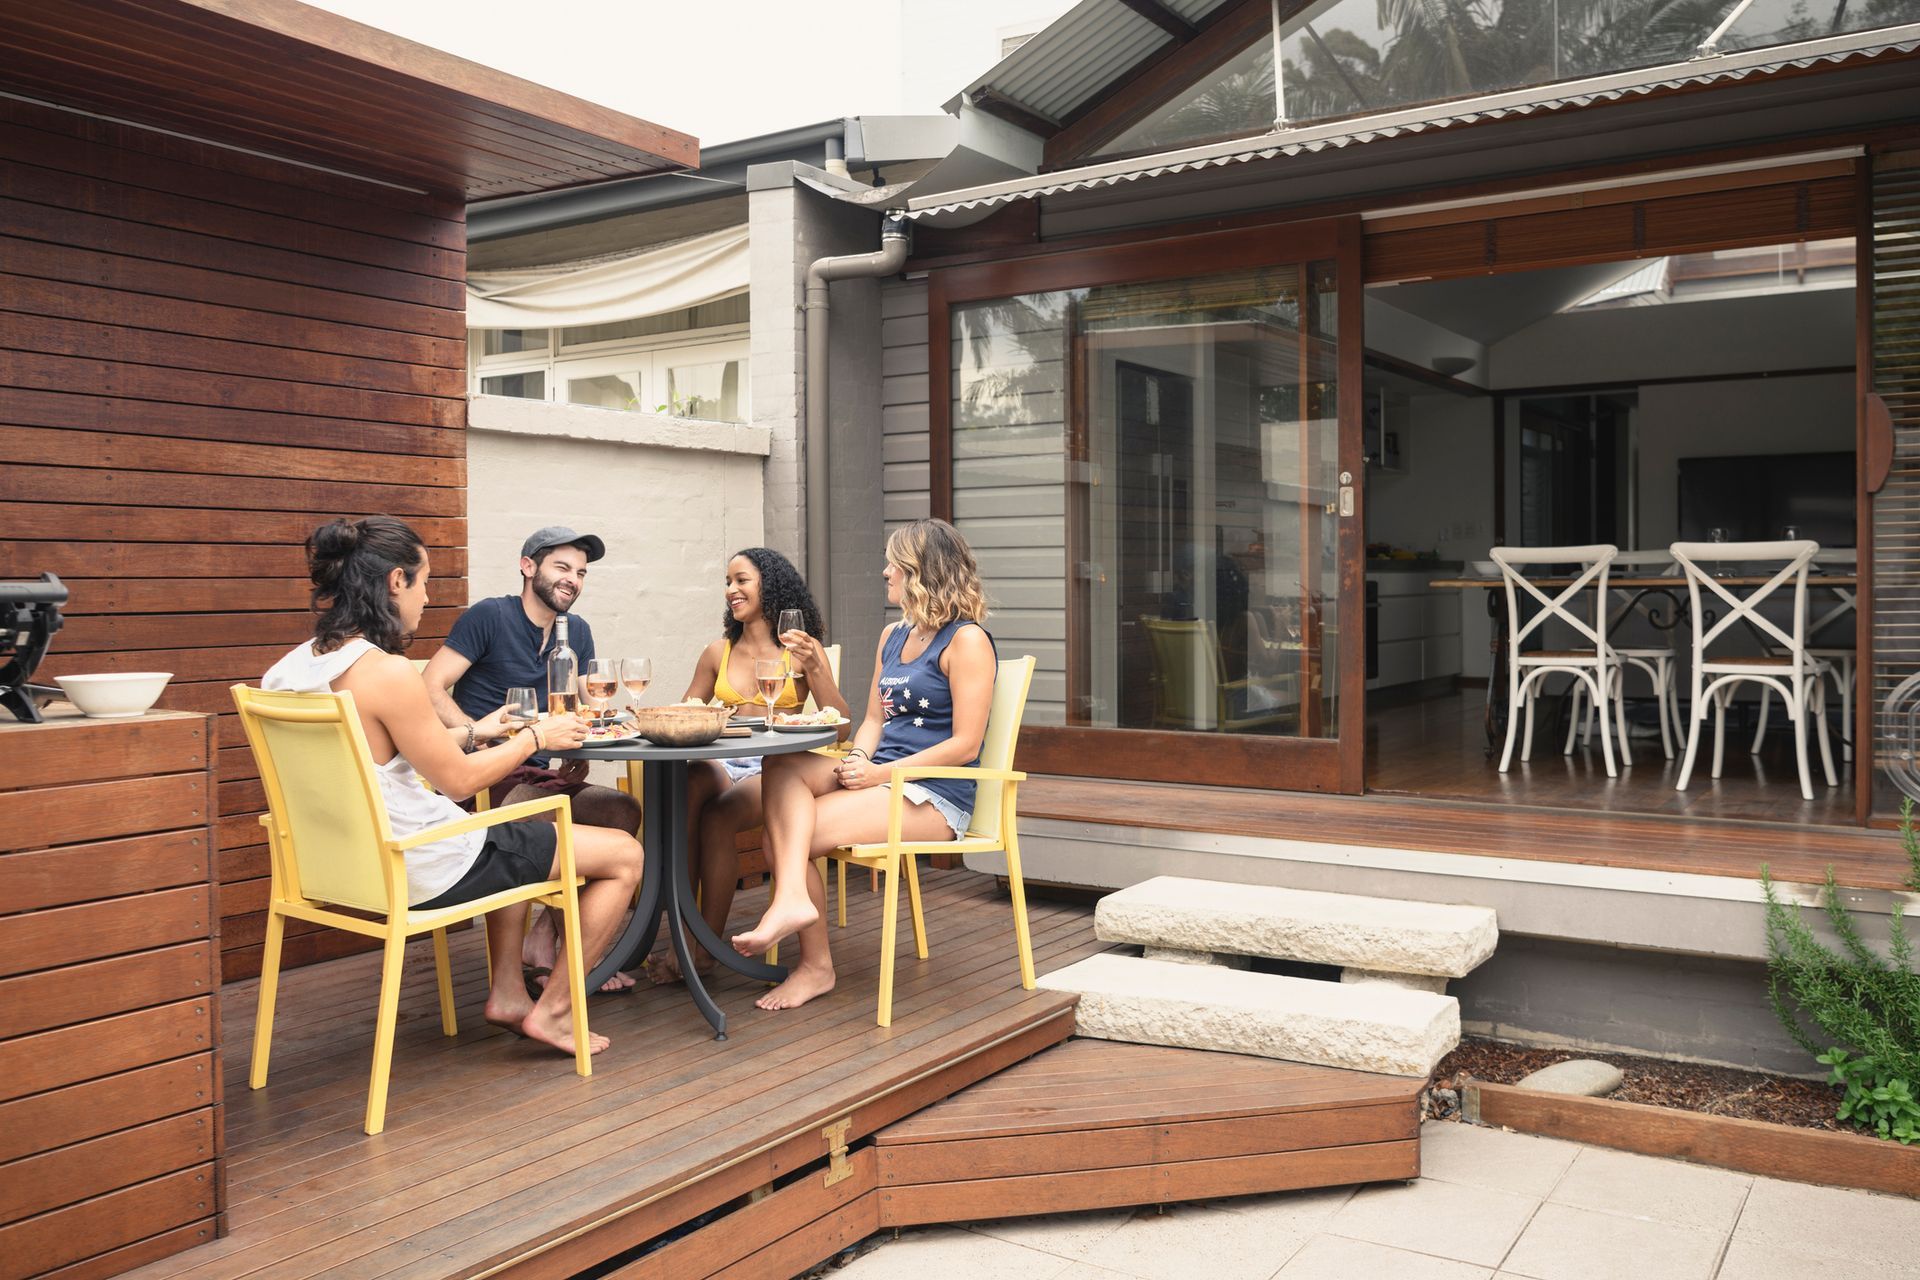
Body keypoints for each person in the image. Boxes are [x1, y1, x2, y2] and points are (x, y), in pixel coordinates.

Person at [262, 517, 642, 1057]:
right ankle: (554, 1011)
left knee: (529, 828)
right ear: (396, 581)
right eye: (423, 582)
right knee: (625, 854)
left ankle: (510, 994)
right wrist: (534, 736)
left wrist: (473, 730)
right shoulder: (387, 672)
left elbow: (392, 747)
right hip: (426, 862)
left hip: (343, 865)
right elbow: (459, 779)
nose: (426, 597)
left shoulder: (289, 670)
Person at [732, 518, 996, 1012]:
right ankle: (793, 899)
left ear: (922, 571)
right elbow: (873, 718)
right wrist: (857, 759)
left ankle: (815, 965)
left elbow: (965, 744)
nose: (885, 572)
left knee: (785, 836)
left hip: (935, 795)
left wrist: (882, 775)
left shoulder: (967, 641)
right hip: (881, 776)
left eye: (894, 563)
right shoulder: (893, 635)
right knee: (782, 765)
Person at [422, 526, 642, 989]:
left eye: (581, 573)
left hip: (537, 774)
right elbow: (430, 683)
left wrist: (586, 735)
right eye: (562, 567)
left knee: (619, 809)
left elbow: (586, 703)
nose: (573, 580)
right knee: (537, 810)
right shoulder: (490, 616)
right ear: (528, 567)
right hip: (484, 779)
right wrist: (473, 734)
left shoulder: (576, 630)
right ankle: (566, 966)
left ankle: (547, 937)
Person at [649, 549, 851, 984]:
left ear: (770, 585)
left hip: (777, 769)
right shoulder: (716, 652)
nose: (731, 590)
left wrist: (816, 668)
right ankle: (679, 930)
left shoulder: (801, 651)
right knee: (687, 785)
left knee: (719, 816)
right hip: (723, 761)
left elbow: (839, 726)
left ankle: (702, 948)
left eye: (742, 580)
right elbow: (688, 714)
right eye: (727, 582)